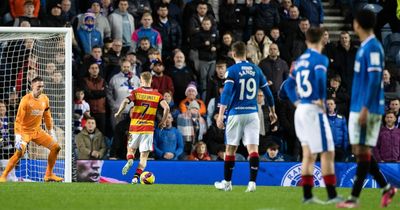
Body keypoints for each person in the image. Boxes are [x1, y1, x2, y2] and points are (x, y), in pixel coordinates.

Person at [337, 9, 397, 208]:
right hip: (358, 106)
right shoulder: (364, 46)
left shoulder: (372, 47)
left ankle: (354, 198)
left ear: (357, 24)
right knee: (358, 150)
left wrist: (365, 108)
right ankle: (386, 187)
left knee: (363, 150)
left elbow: (374, 81)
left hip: (368, 108)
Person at [283, 27, 341, 204]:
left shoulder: (299, 61)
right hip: (314, 110)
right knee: (328, 152)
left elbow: (287, 86)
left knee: (308, 153)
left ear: (307, 40)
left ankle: (307, 195)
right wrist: (322, 100)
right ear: (322, 40)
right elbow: (321, 79)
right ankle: (331, 194)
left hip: (301, 110)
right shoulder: (321, 59)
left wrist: (296, 102)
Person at [214, 41, 277, 192]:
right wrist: (273, 111)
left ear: (233, 54)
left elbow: (227, 93)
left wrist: (221, 115)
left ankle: (227, 183)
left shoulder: (232, 70)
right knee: (253, 150)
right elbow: (268, 93)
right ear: (246, 54)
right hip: (252, 114)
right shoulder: (257, 70)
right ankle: (252, 183)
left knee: (230, 149)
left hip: (236, 113)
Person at [0, 77, 63, 182]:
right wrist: (18, 136)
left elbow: (47, 117)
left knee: (56, 147)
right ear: (32, 86)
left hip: (37, 132)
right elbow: (18, 120)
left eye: (42, 86)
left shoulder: (45, 99)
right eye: (39, 86)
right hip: (24, 132)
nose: (41, 88)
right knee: (20, 152)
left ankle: (49, 174)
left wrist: (51, 131)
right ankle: (3, 176)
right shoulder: (25, 100)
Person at [114, 72, 170, 184]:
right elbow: (167, 108)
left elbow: (125, 101)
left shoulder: (136, 92)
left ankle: (130, 160)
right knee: (144, 157)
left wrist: (119, 112)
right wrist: (163, 122)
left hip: (135, 127)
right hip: (148, 129)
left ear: (141, 80)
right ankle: (135, 177)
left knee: (130, 150)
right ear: (151, 80)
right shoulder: (157, 95)